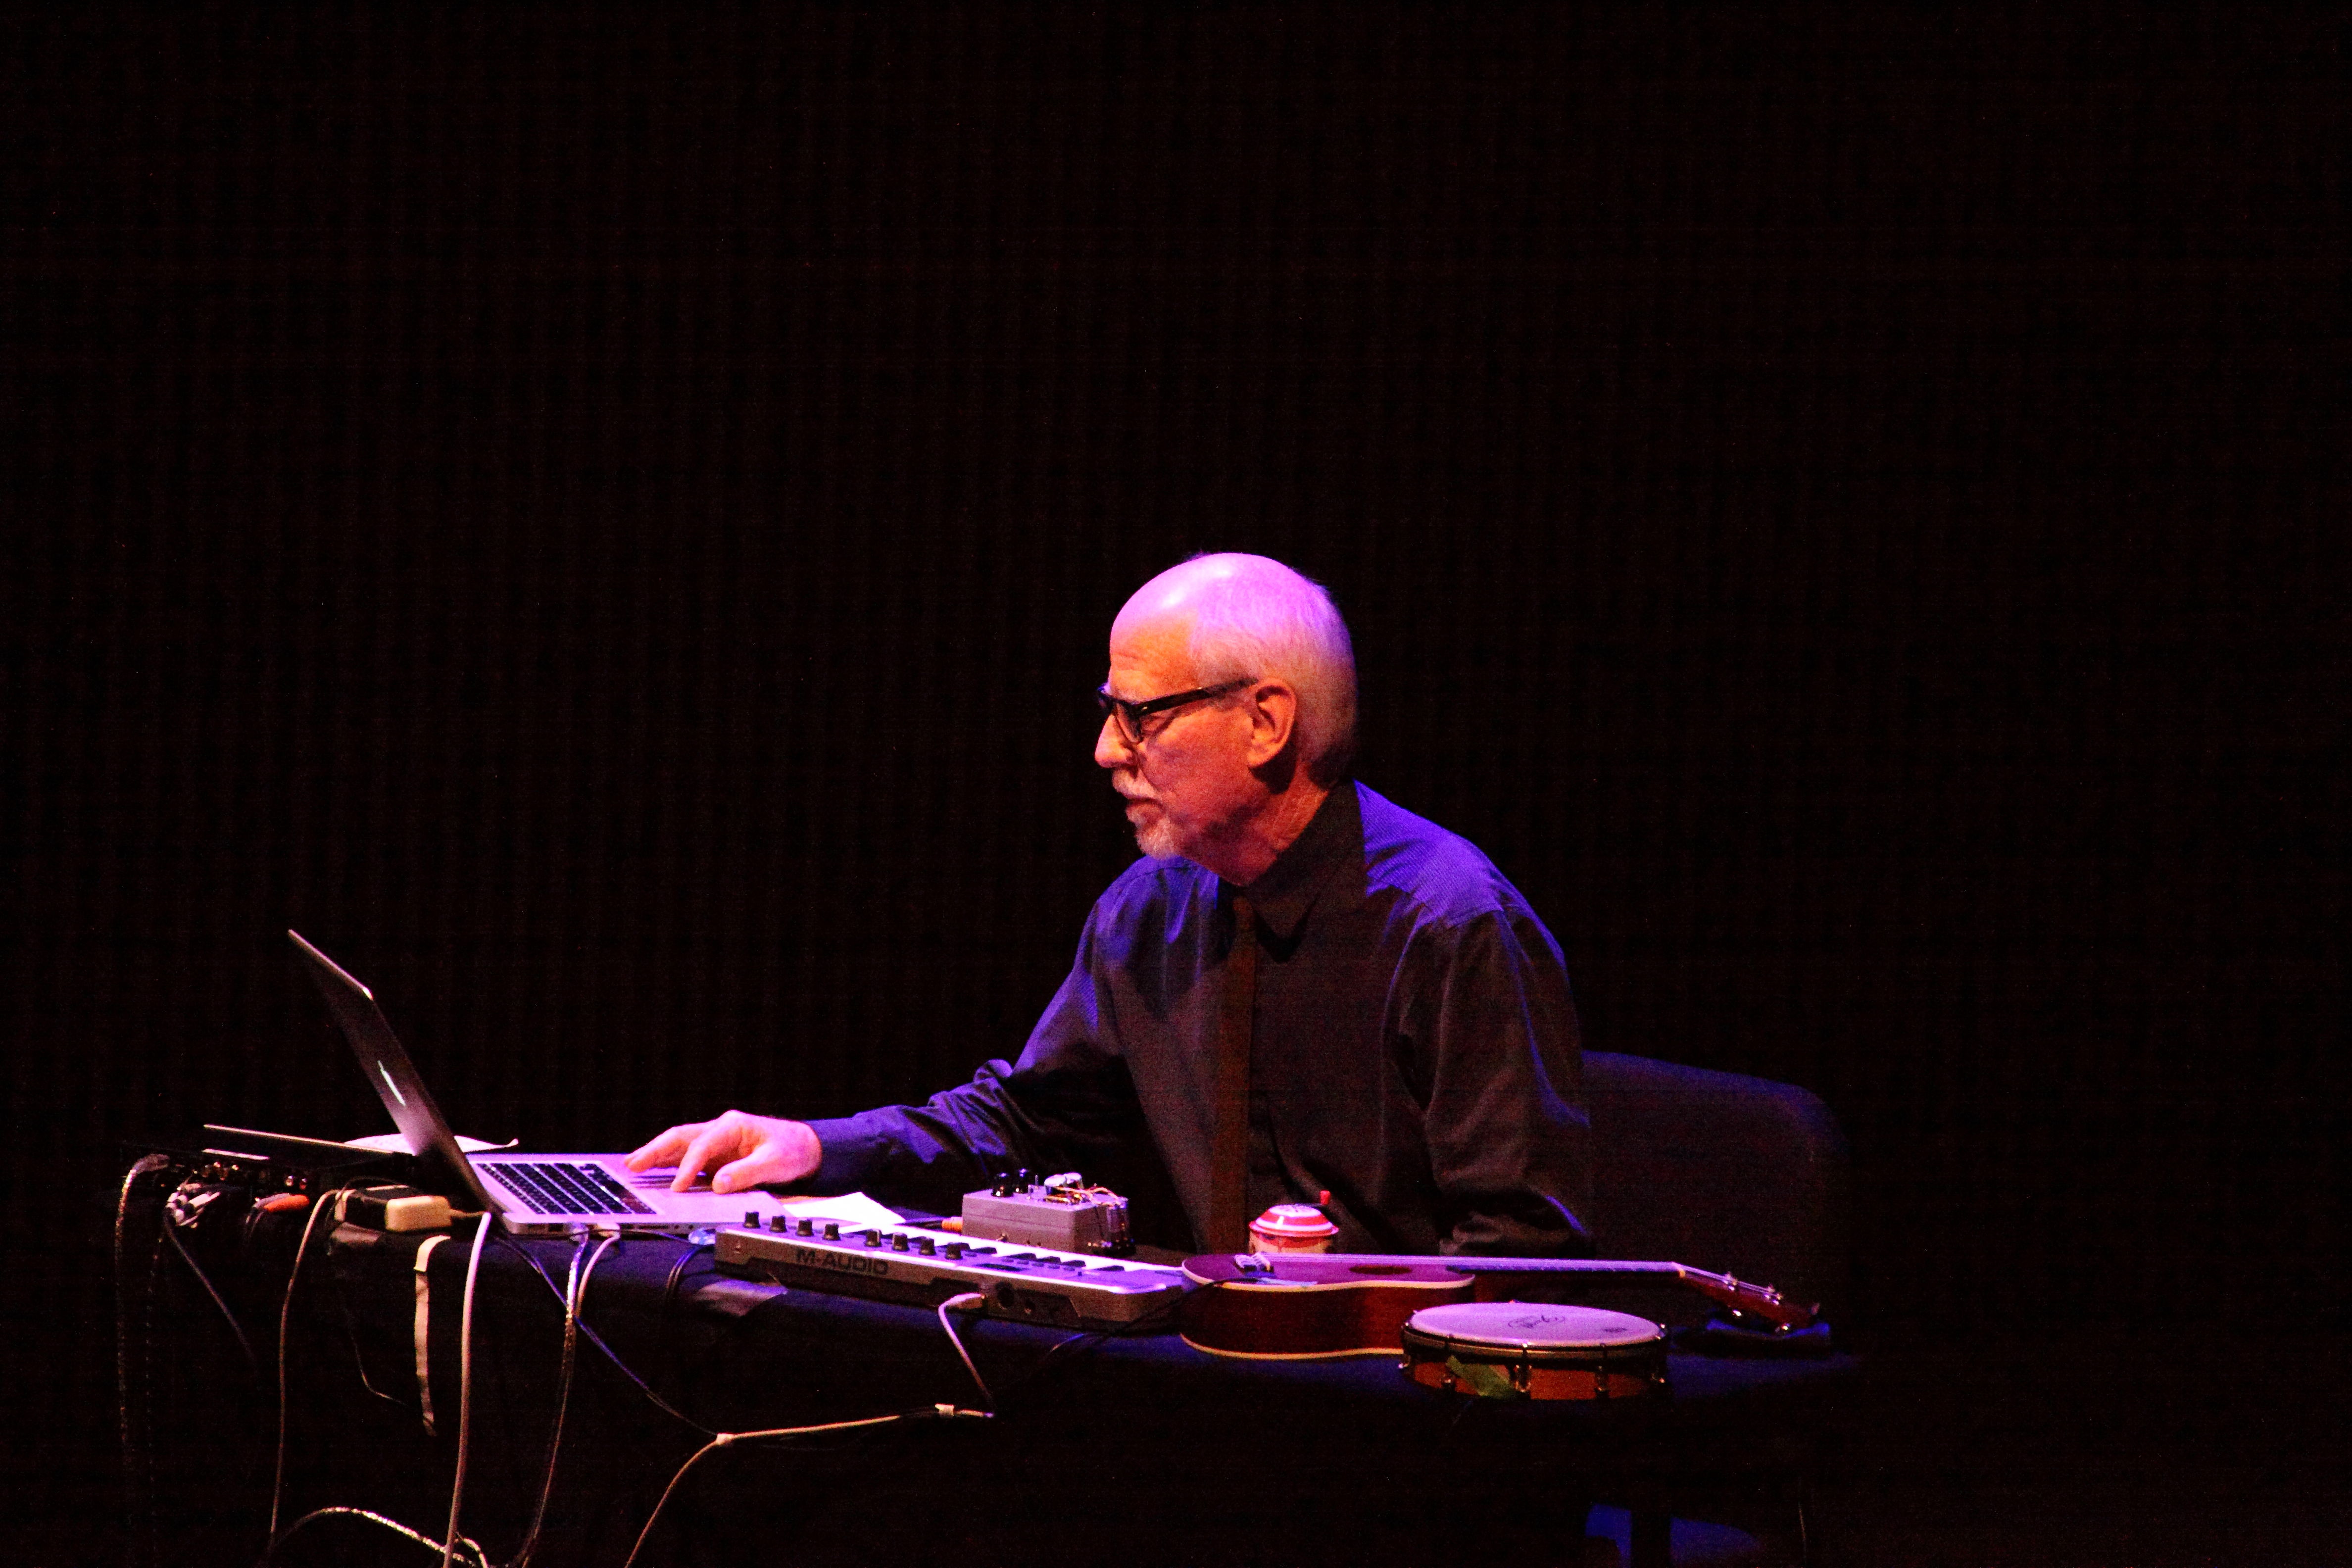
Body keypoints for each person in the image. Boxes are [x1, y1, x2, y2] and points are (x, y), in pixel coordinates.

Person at [629, 553, 1590, 1257]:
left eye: (1142, 716)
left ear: (1265, 722)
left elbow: (1521, 1254)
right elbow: (1030, 1118)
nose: (1105, 750)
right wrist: (812, 1146)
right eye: (1109, 712)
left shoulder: (1450, 923)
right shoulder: (1148, 910)